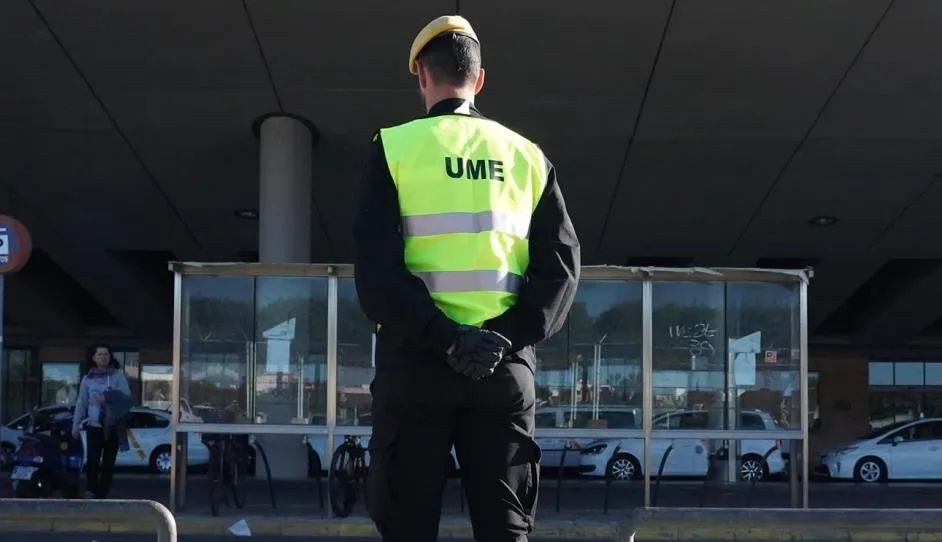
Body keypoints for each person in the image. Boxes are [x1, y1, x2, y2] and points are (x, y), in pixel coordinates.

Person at [353, 14, 580, 542]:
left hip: (416, 366)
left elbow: (377, 274)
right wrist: (502, 337)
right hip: (501, 370)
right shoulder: (528, 156)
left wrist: (445, 338)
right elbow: (562, 267)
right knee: (505, 529)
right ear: (479, 79)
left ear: (422, 78)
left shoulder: (394, 147)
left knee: (408, 525)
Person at [72, 343, 132, 499]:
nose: (103, 357)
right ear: (93, 357)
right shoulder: (87, 379)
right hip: (94, 425)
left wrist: (107, 397)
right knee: (92, 460)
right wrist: (75, 425)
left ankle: (102, 494)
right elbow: (81, 403)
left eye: (106, 353)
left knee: (108, 463)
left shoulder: (118, 376)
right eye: (100, 354)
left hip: (113, 425)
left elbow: (127, 399)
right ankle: (91, 490)